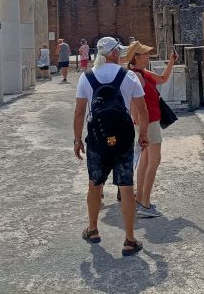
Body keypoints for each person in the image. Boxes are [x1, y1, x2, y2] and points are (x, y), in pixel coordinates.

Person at [74, 37, 150, 256]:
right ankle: (129, 239)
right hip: (123, 139)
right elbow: (142, 109)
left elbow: (80, 112)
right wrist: (142, 134)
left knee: (94, 184)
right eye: (120, 51)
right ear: (115, 54)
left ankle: (93, 229)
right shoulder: (129, 76)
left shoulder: (86, 77)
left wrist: (77, 139)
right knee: (126, 187)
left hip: (97, 139)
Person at [124, 41, 178, 218]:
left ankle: (140, 199)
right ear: (136, 58)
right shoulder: (135, 76)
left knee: (146, 161)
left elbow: (162, 79)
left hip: (147, 122)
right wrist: (142, 128)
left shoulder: (141, 72)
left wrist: (171, 62)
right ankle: (145, 204)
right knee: (154, 161)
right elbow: (134, 103)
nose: (148, 56)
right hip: (148, 123)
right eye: (145, 54)